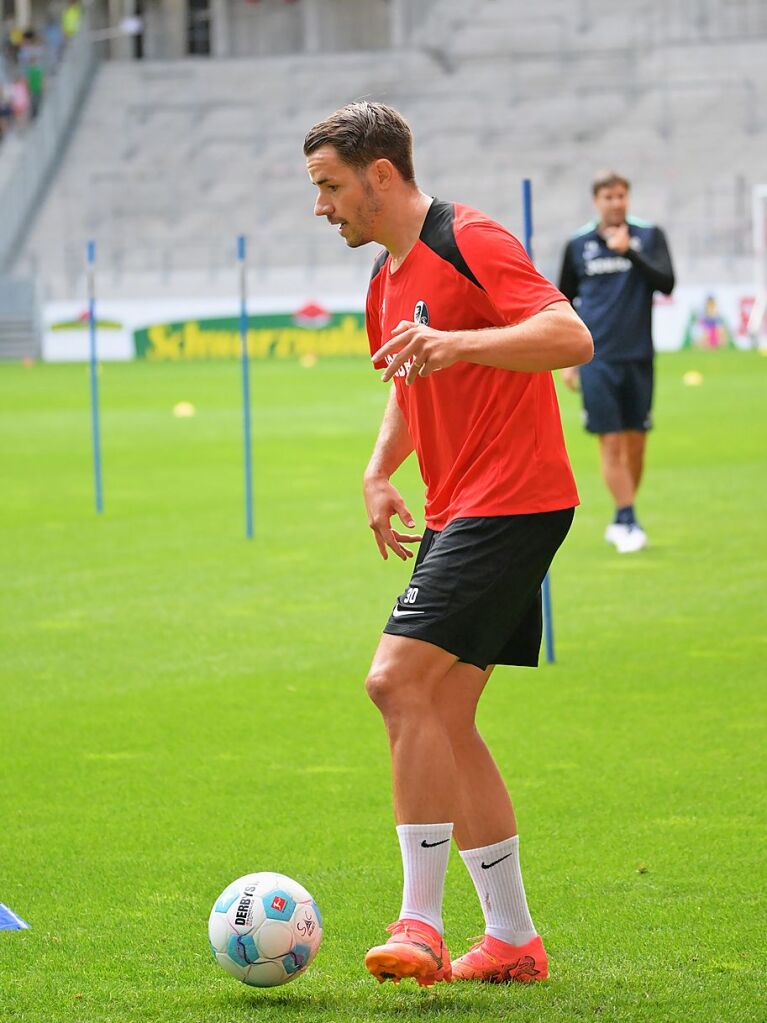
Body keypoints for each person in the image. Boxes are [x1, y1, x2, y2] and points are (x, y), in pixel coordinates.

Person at [304, 102, 592, 987]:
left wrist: (457, 339)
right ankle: (510, 938)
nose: (321, 208)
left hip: (513, 502)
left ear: (379, 174)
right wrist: (379, 469)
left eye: (329, 187)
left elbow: (568, 334)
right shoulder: (384, 279)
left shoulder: (469, 236)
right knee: (445, 713)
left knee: (394, 682)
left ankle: (420, 924)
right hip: (457, 508)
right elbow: (407, 375)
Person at [558, 171, 675, 553]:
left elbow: (667, 282)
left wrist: (630, 253)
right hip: (596, 358)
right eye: (608, 197)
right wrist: (569, 360)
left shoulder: (649, 235)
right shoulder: (579, 245)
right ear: (597, 202)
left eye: (621, 195)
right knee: (610, 441)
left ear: (628, 198)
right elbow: (563, 301)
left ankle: (624, 512)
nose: (616, 203)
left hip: (639, 355)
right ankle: (627, 517)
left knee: (636, 443)